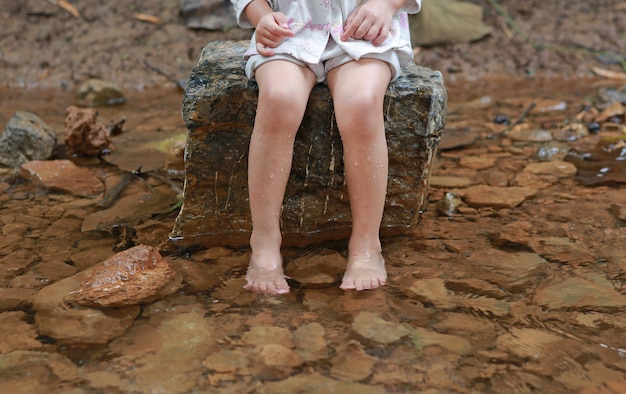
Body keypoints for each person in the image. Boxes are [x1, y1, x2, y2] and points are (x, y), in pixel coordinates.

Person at [230, 0, 421, 294]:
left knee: (361, 103)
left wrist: (386, 5)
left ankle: (366, 244)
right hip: (290, 31)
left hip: (362, 31)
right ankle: (265, 241)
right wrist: (261, 16)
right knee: (280, 99)